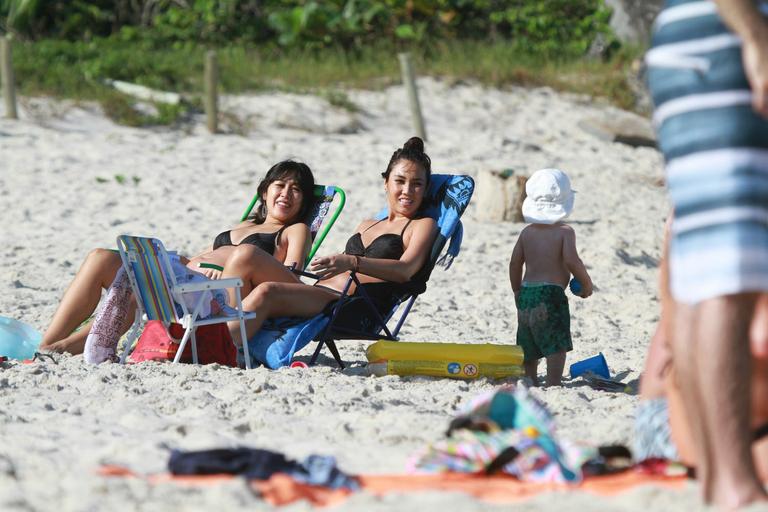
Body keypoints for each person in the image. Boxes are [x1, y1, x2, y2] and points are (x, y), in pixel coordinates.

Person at [645, 0, 768, 507]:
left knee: (705, 273)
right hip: (729, 35)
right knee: (727, 274)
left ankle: (723, 479)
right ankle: (734, 481)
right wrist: (756, 33)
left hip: (697, 39)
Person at [40, 160, 316, 356]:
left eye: (296, 190)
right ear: (264, 192)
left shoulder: (294, 230)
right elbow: (204, 255)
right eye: (280, 185)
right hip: (188, 280)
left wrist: (232, 273)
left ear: (303, 202)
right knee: (100, 257)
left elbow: (289, 279)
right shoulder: (243, 225)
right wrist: (188, 263)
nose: (286, 194)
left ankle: (63, 349)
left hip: (216, 297)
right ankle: (46, 344)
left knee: (137, 295)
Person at [227, 137, 438, 347]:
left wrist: (351, 262)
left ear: (426, 189)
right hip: (318, 292)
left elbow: (406, 270)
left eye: (417, 184)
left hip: (347, 306)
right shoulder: (367, 224)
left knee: (267, 291)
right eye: (400, 181)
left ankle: (223, 346)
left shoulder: (423, 224)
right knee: (249, 263)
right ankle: (217, 338)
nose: (407, 190)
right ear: (386, 183)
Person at [508, 168, 593, 386]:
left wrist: (517, 290)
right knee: (556, 343)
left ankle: (530, 379)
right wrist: (586, 284)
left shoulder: (527, 232)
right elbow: (573, 261)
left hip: (527, 291)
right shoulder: (565, 232)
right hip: (551, 294)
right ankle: (554, 381)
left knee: (528, 343)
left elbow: (515, 262)